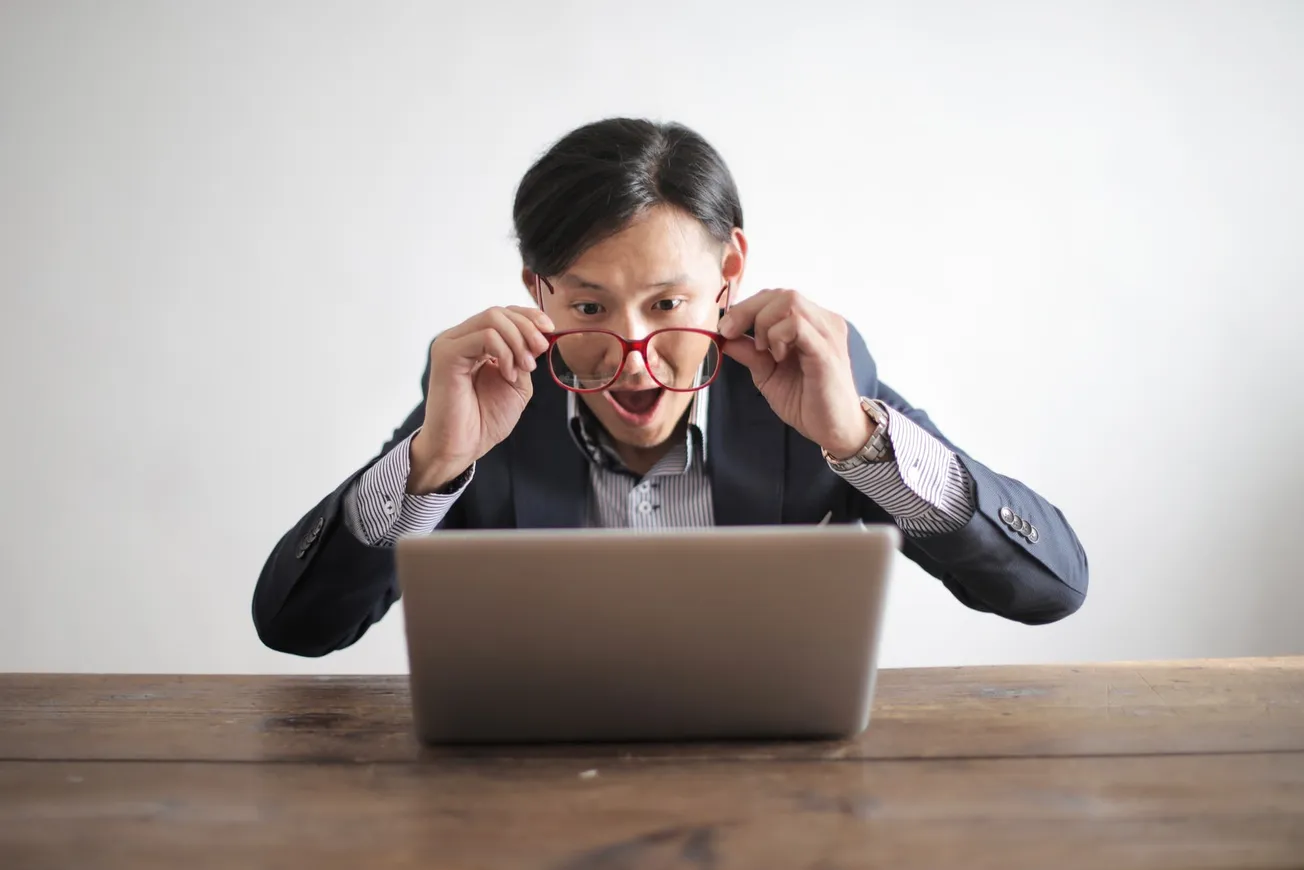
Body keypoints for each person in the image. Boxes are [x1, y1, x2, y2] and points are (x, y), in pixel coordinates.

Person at [252, 118, 1088, 658]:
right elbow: (296, 627)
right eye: (587, 306)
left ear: (729, 274)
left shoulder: (814, 380)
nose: (634, 354)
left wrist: (859, 444)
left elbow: (1050, 589)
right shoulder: (490, 398)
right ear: (536, 291)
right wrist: (432, 464)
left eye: (666, 304)